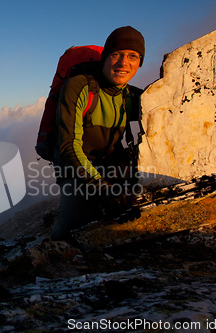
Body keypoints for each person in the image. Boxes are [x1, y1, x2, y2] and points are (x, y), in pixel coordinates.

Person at [50, 26, 145, 241]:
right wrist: (101, 188)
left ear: (140, 62)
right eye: (116, 54)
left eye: (132, 56)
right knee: (71, 226)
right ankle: (51, 252)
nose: (123, 63)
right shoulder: (80, 86)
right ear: (105, 58)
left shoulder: (131, 96)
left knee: (129, 207)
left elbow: (174, 101)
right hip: (74, 162)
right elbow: (68, 146)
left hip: (109, 159)